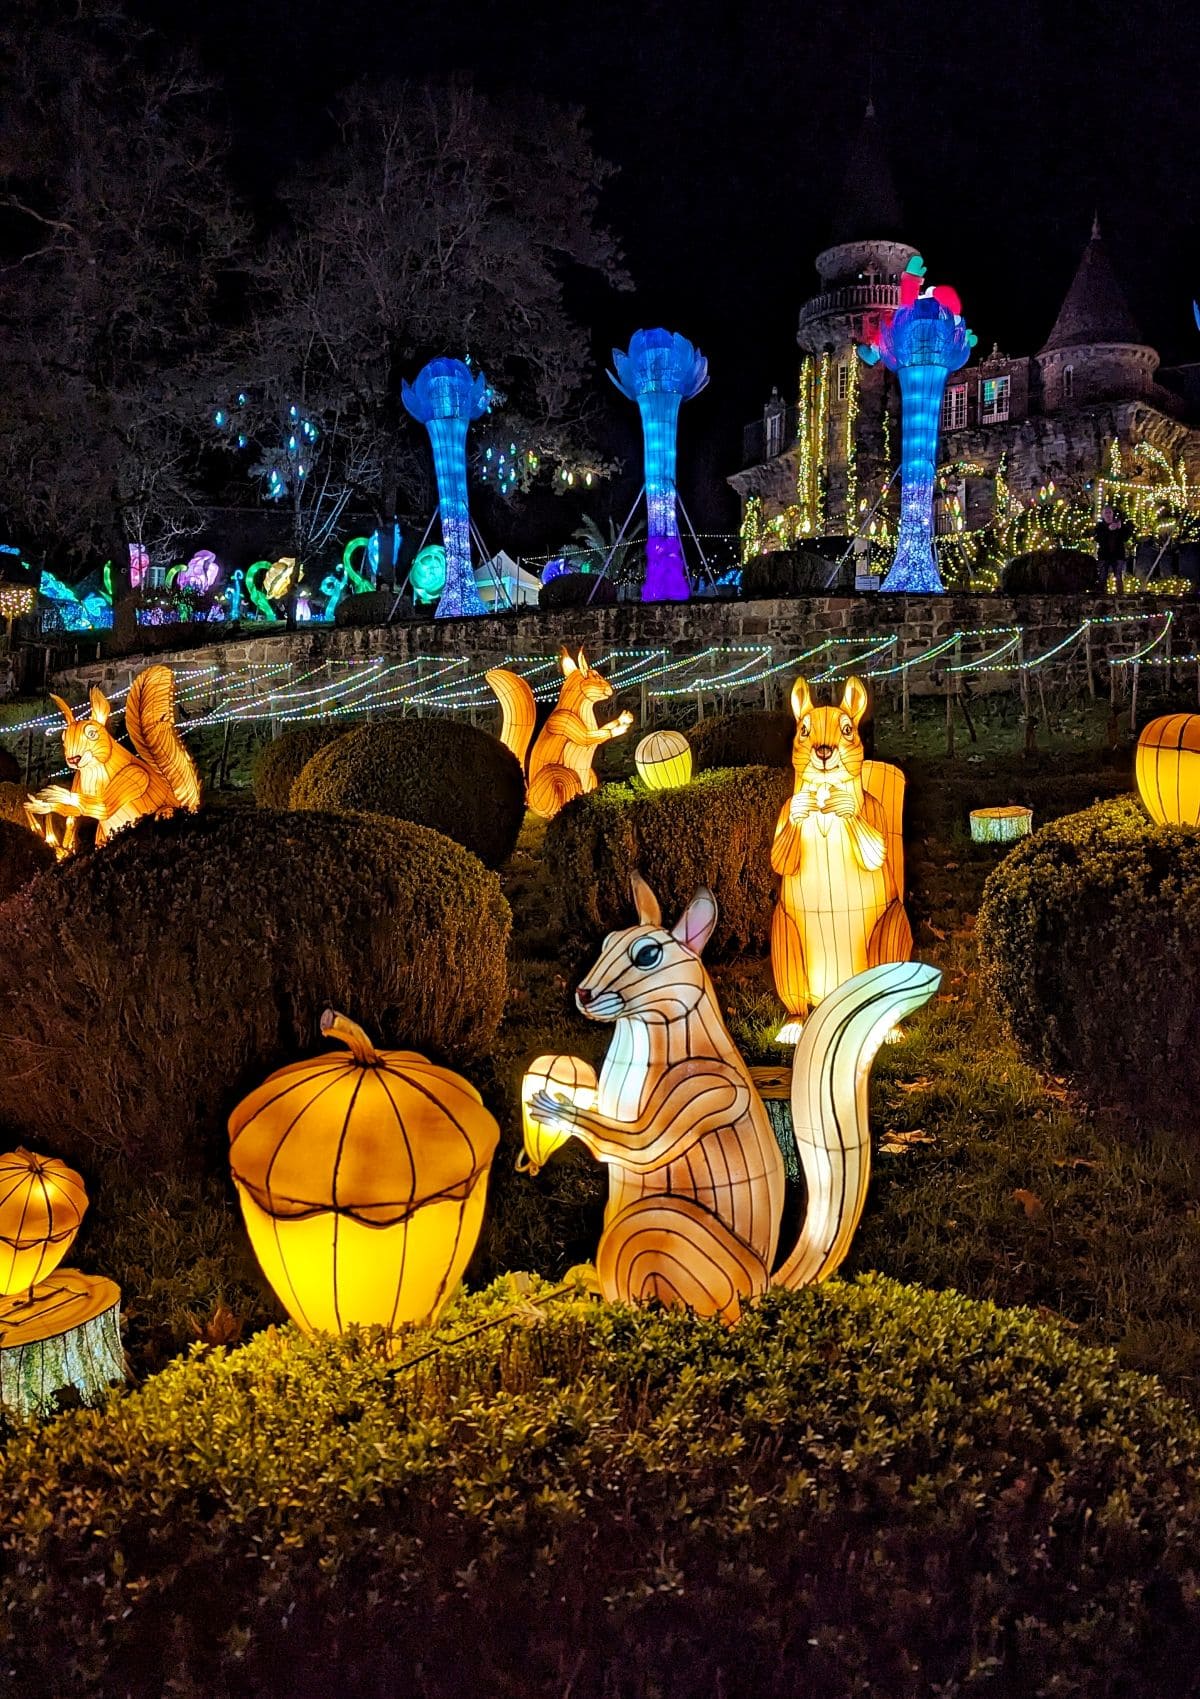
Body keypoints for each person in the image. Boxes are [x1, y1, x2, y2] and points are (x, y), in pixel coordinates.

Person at [1095, 503, 1134, 592]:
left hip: (1118, 555)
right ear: (1103, 515)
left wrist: (1121, 528)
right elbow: (1098, 538)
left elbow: (1126, 537)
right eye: (1106, 513)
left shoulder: (1118, 524)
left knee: (1118, 576)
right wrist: (1108, 530)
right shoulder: (1100, 526)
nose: (1108, 515)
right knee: (1102, 575)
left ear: (1112, 514)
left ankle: (1120, 595)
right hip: (1104, 555)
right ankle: (1101, 594)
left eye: (1110, 513)